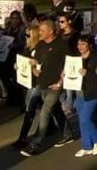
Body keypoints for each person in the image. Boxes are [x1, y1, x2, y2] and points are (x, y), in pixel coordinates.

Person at [21, 20, 69, 157]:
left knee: (44, 112)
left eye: (42, 31)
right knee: (56, 109)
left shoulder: (62, 46)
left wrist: (60, 82)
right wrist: (32, 68)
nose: (40, 33)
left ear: (51, 31)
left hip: (55, 85)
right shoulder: (41, 45)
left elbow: (70, 64)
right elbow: (36, 62)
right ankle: (67, 133)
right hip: (43, 84)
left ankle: (35, 144)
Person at [73, 34, 97, 157]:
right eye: (79, 44)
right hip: (79, 91)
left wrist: (88, 73)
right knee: (81, 120)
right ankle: (86, 145)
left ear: (90, 45)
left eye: (83, 44)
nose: (80, 47)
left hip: (92, 92)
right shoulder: (76, 58)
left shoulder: (96, 58)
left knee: (85, 119)